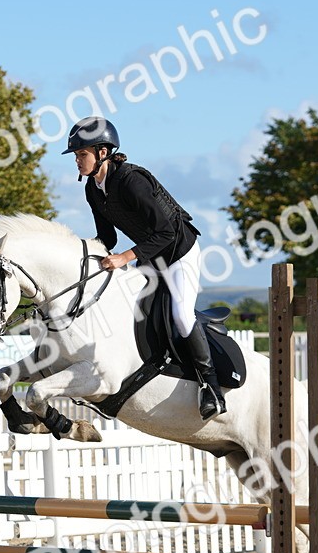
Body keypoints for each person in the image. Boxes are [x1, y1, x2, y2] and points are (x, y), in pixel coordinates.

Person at [63, 115, 225, 420]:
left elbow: (166, 233)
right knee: (128, 306)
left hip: (179, 251)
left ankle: (211, 388)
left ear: (102, 152)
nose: (77, 161)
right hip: (151, 256)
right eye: (75, 156)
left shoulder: (131, 180)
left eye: (81, 154)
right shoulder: (92, 189)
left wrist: (124, 258)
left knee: (180, 313)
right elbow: (107, 237)